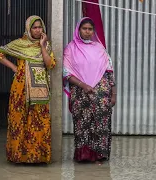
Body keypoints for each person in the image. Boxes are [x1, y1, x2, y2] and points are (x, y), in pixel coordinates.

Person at [0, 15, 55, 164]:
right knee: (19, 119)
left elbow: (50, 64)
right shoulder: (19, 43)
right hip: (21, 88)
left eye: (40, 27)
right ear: (28, 29)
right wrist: (14, 67)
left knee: (39, 120)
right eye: (34, 27)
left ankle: (38, 157)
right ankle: (19, 157)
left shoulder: (46, 45)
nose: (38, 30)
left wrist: (42, 45)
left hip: (40, 90)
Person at [63, 17, 116, 164]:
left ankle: (100, 155)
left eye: (90, 29)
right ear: (78, 30)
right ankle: (84, 155)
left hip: (101, 94)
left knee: (101, 124)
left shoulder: (99, 48)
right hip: (81, 93)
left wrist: (114, 93)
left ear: (93, 31)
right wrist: (83, 85)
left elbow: (109, 70)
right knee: (83, 123)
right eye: (84, 29)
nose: (87, 32)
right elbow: (66, 73)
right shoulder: (70, 48)